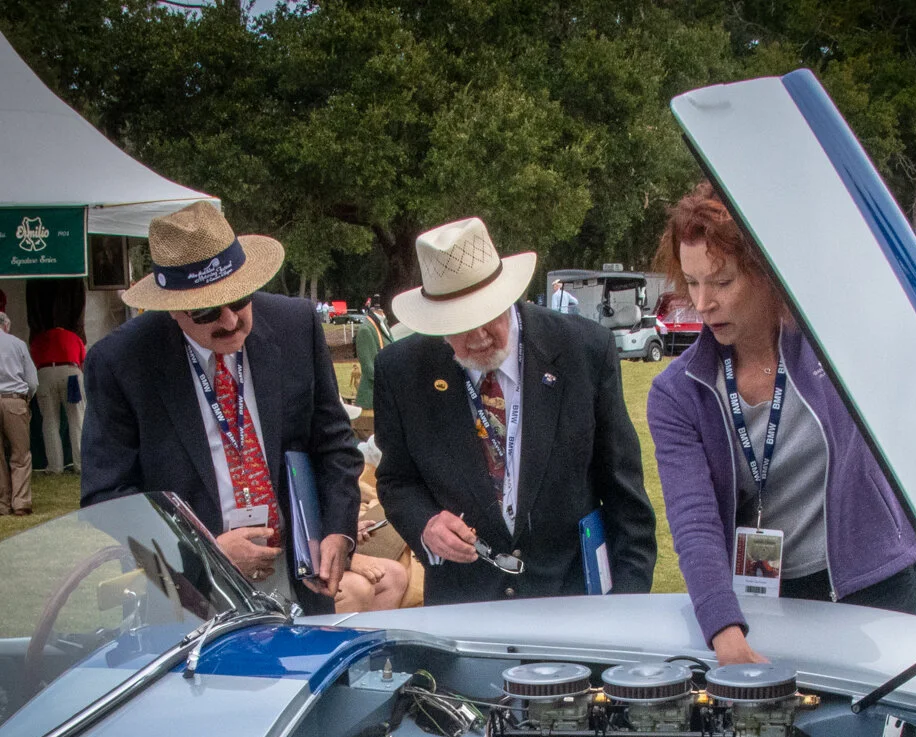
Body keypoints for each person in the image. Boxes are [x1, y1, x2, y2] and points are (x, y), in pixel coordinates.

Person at [646, 182, 916, 666]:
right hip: (760, 600)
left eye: (723, 281)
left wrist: (857, 228)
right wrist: (724, 630)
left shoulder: (841, 338)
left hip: (871, 586)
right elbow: (694, 521)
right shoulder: (677, 392)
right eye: (692, 282)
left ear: (768, 269)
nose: (703, 302)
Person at [81, 201, 362, 613]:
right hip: (185, 591)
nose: (231, 321)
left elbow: (334, 445)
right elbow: (107, 498)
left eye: (240, 298)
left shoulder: (295, 325)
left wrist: (339, 530)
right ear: (172, 307)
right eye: (208, 310)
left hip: (297, 573)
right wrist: (203, 551)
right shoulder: (121, 362)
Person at [374, 216, 656, 605]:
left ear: (507, 297)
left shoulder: (584, 351)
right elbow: (396, 480)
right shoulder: (401, 370)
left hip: (571, 601)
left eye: (487, 316)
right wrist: (426, 524)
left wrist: (628, 602)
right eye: (458, 325)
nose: (478, 337)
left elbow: (625, 494)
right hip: (465, 608)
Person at [28, 296, 87, 475]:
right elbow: (83, 361)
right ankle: (80, 464)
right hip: (71, 373)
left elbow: (33, 361)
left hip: (45, 373)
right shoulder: (73, 336)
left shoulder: (39, 338)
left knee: (50, 421)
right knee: (76, 418)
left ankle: (55, 467)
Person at [0, 312, 38, 516]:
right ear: (6, 325)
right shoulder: (18, 343)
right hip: (14, 400)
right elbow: (32, 380)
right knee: (20, 454)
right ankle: (21, 502)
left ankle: (2, 503)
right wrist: (27, 399)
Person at [353, 301, 394, 411]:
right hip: (372, 398)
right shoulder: (366, 330)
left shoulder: (383, 325)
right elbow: (369, 369)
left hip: (384, 396)